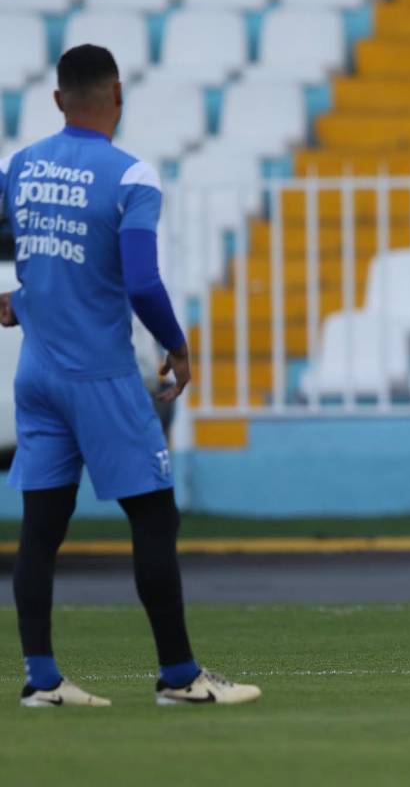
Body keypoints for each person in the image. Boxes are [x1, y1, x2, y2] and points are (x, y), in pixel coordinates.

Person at [0, 45, 260, 707]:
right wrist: (178, 346)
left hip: (37, 375)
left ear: (58, 99)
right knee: (152, 516)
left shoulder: (21, 167)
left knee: (39, 530)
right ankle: (179, 677)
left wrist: (18, 298)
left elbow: (33, 256)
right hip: (102, 375)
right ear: (118, 93)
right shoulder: (131, 176)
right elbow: (142, 281)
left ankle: (42, 677)